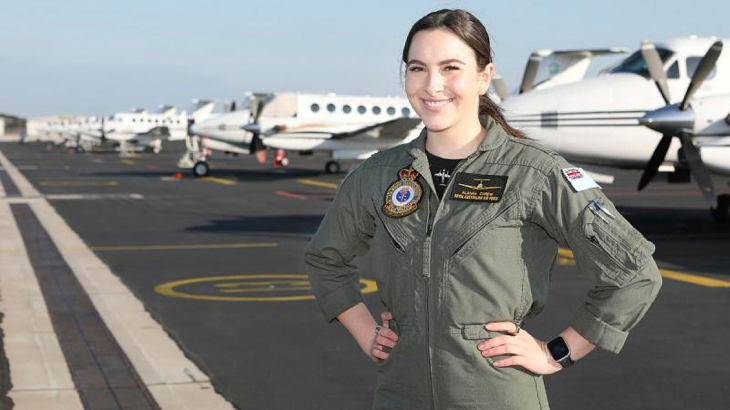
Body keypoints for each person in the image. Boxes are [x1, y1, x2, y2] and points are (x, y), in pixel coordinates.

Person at [304, 8, 662, 410]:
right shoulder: (377, 174)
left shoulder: (535, 172)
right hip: (399, 395)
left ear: (484, 76)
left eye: (451, 67)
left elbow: (633, 270)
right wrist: (366, 331)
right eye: (417, 68)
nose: (432, 84)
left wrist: (557, 351)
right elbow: (325, 258)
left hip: (496, 395)